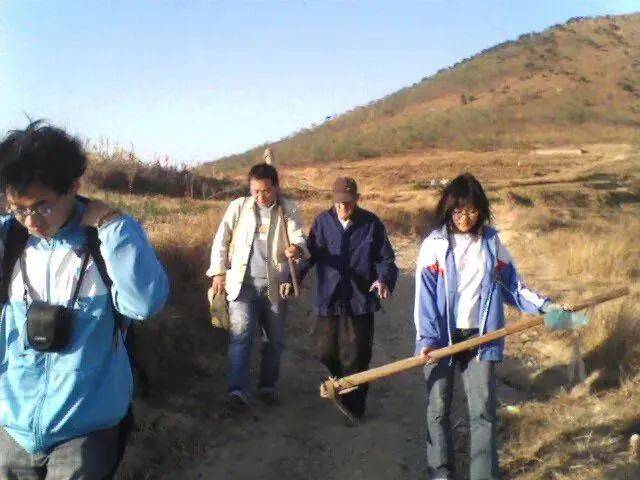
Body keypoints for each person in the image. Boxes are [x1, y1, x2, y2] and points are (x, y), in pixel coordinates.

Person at [0, 121, 170, 479]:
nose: (30, 220)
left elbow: (144, 304)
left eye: (41, 206)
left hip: (86, 427)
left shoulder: (106, 239)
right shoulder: (9, 242)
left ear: (73, 186)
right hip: (12, 425)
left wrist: (113, 227)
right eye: (18, 208)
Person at [414, 173, 564, 480]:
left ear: (481, 210)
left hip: (482, 338)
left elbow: (514, 287)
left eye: (471, 210)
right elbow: (424, 298)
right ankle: (440, 473)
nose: (464, 217)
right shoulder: (434, 245)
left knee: (481, 412)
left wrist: (548, 307)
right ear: (448, 209)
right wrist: (428, 340)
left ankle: (483, 475)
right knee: (438, 410)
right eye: (458, 210)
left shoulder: (492, 243)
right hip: (441, 339)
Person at [284, 177, 398, 421]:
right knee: (324, 351)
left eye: (347, 203)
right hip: (329, 296)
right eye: (339, 204)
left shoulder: (371, 224)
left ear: (356, 199)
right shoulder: (323, 222)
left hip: (359, 299)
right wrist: (291, 278)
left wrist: (384, 280)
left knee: (357, 355)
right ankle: (342, 384)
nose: (343, 209)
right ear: (332, 201)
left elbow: (386, 260)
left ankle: (355, 408)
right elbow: (308, 255)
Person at [207, 163, 308, 409]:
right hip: (242, 286)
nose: (260, 197)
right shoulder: (238, 207)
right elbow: (222, 239)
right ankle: (237, 392)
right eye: (255, 191)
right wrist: (218, 272)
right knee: (240, 337)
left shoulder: (289, 209)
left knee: (273, 340)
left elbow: (299, 239)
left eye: (266, 191)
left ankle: (267, 387)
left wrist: (296, 249)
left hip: (275, 287)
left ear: (276, 188)